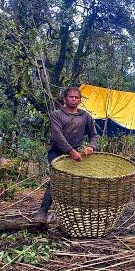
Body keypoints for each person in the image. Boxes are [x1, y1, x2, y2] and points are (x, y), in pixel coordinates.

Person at [34, 86, 99, 223]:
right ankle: (42, 212)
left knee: (74, 183)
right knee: (56, 181)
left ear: (80, 100)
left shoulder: (85, 116)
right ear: (64, 99)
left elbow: (94, 135)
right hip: (56, 153)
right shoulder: (56, 115)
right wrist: (71, 151)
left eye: (77, 97)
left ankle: (70, 216)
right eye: (71, 97)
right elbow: (57, 136)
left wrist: (91, 147)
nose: (74, 99)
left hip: (75, 155)